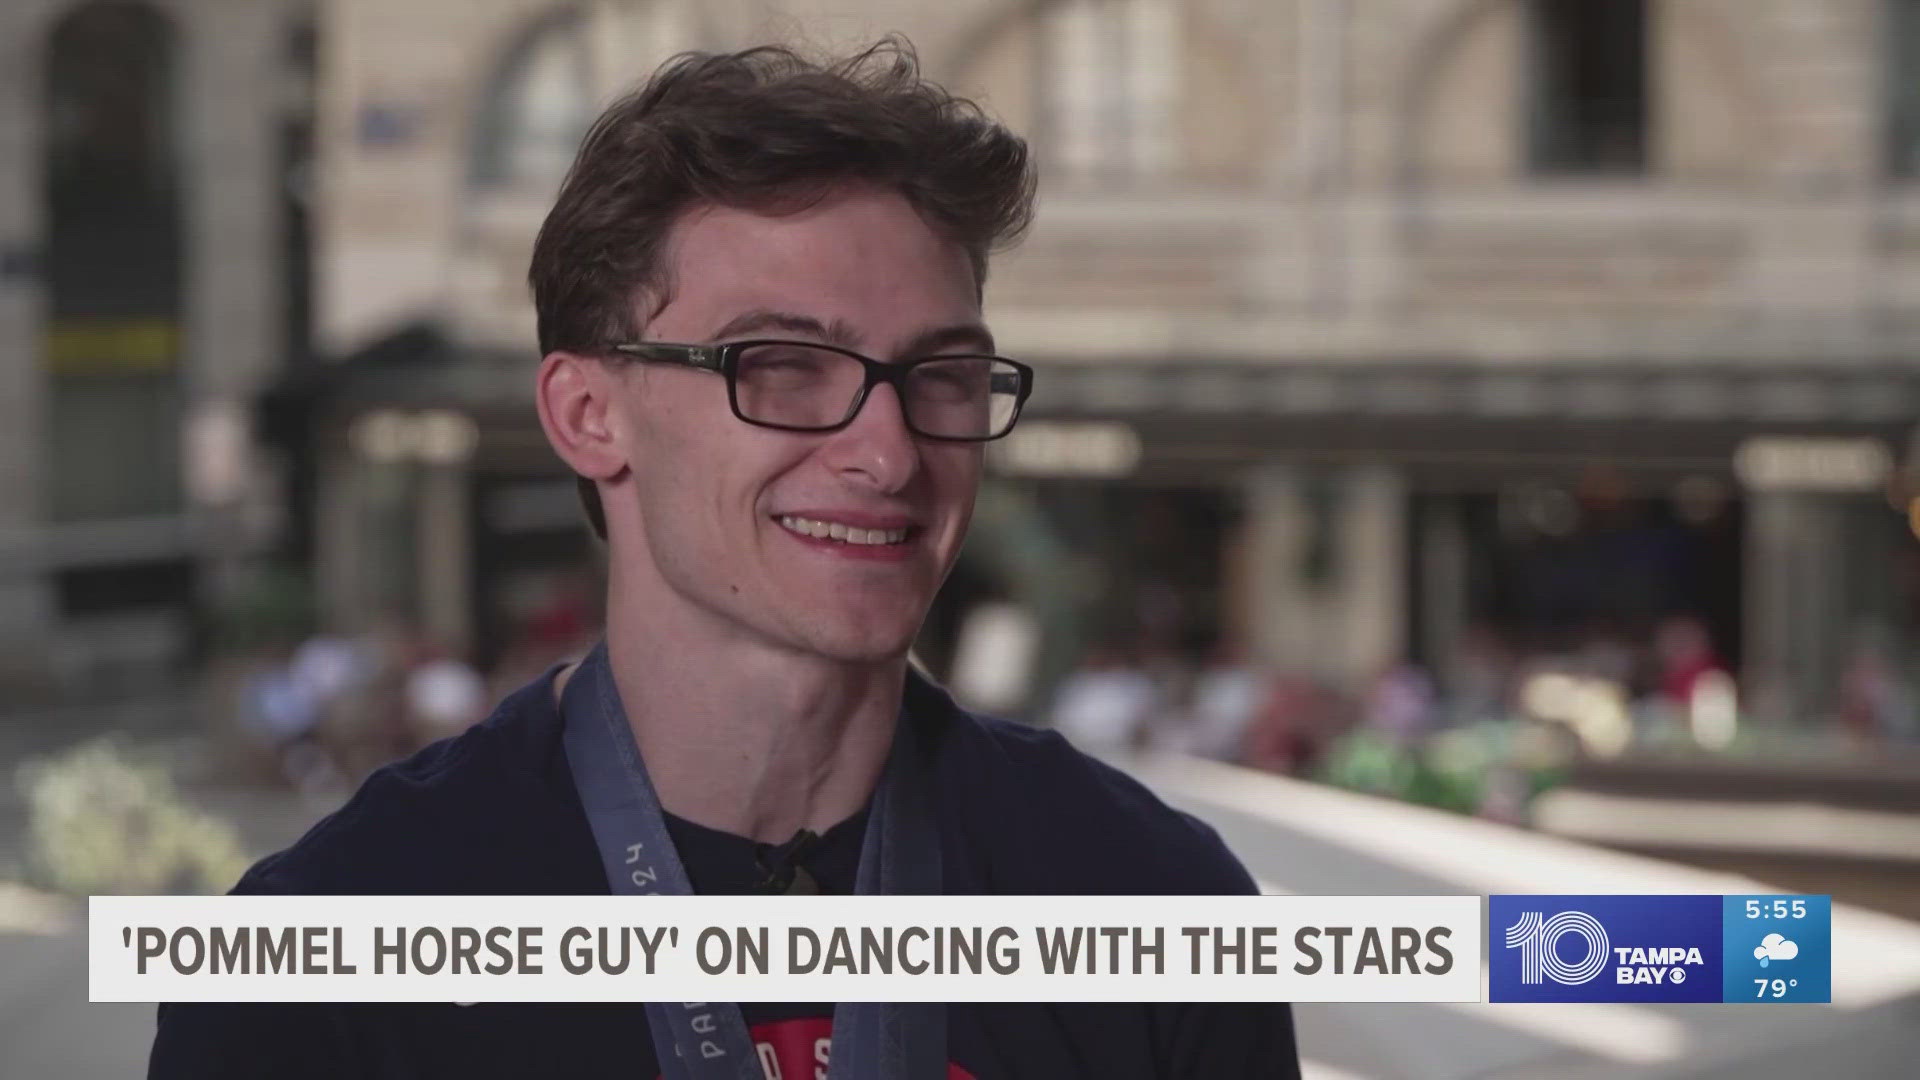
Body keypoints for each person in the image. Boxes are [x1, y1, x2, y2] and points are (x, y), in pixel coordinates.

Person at [150, 40, 1299, 1079]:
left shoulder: (1156, 905)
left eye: (940, 373)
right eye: (785, 364)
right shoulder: (320, 964)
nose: (888, 451)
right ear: (589, 412)